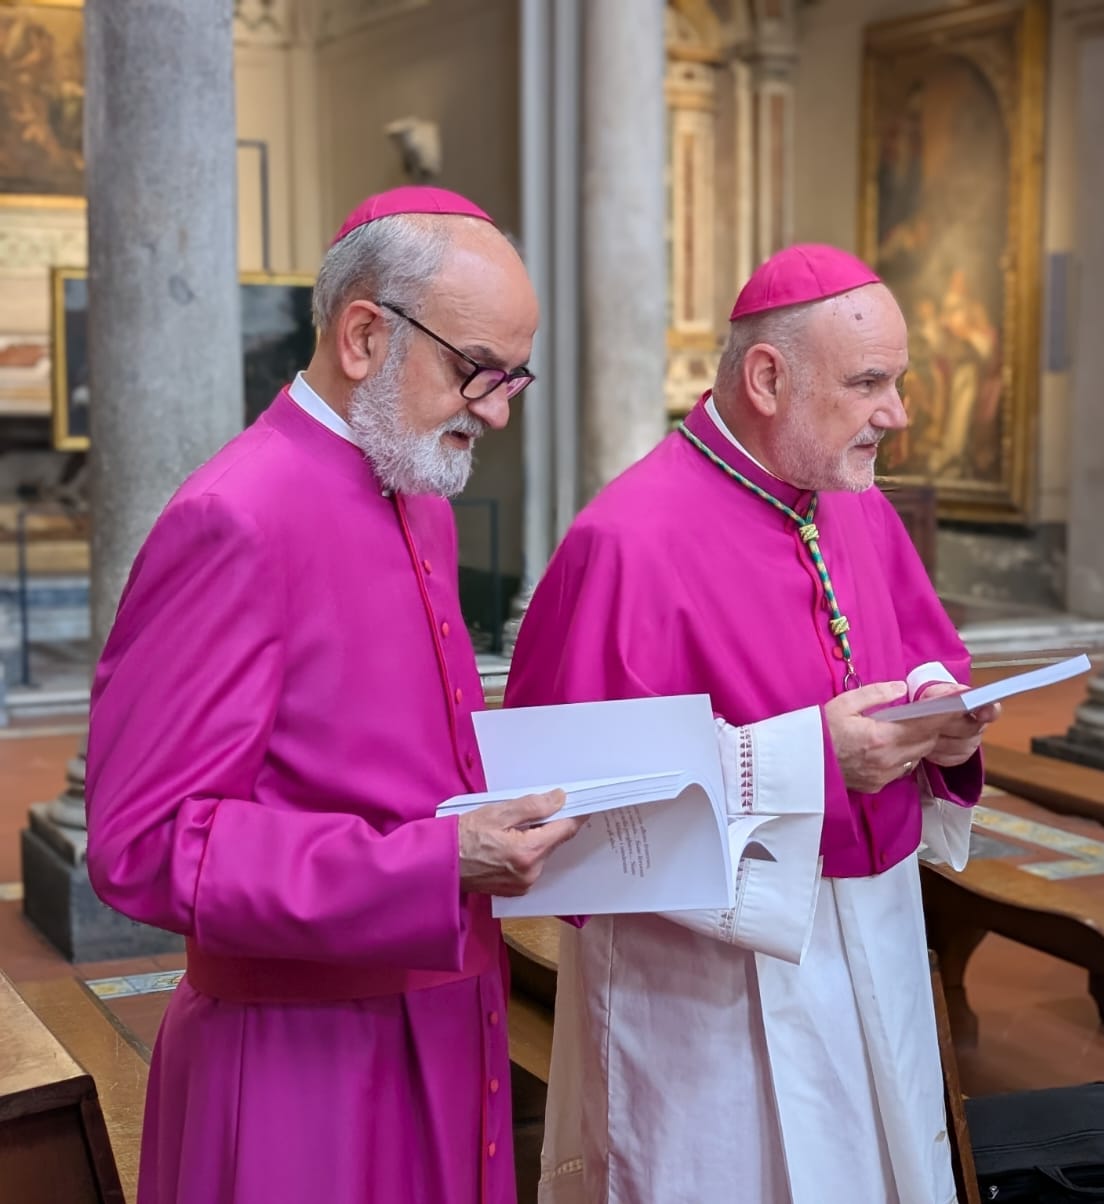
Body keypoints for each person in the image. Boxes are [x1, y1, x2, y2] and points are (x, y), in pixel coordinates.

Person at [84, 186, 581, 1204]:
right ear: (363, 336)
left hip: (445, 1018)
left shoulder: (416, 491)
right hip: (300, 1064)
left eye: (513, 379)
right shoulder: (236, 517)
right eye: (477, 371)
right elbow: (144, 843)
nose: (495, 410)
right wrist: (434, 862)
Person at [506, 244, 997, 1203]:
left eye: (897, 383)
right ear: (768, 378)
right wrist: (813, 759)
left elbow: (927, 652)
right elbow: (565, 810)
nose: (897, 413)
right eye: (869, 384)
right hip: (708, 979)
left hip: (877, 930)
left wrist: (945, 722)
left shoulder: (857, 506)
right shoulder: (626, 540)